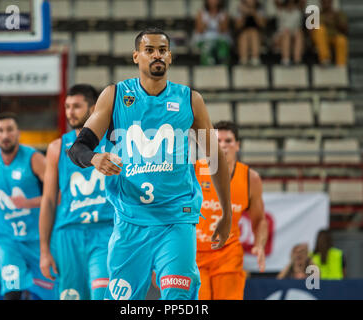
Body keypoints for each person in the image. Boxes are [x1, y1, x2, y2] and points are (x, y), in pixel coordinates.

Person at [68, 27, 232, 300]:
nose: (157, 55)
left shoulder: (190, 99)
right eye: (149, 50)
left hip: (176, 218)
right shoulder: (115, 95)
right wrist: (95, 158)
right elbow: (78, 148)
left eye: (163, 50)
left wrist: (226, 213)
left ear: (170, 57)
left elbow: (216, 158)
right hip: (130, 220)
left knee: (177, 299)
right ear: (136, 57)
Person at [39, 84, 115, 300]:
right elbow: (49, 201)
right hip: (68, 234)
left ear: (93, 109)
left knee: (101, 294)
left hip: (105, 231)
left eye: (76, 106)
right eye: (67, 107)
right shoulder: (56, 148)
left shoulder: (113, 142)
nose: (70, 112)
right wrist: (44, 251)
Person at [0, 113, 54, 300]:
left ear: (18, 133)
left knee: (51, 294)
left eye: (10, 130)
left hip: (40, 241)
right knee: (11, 293)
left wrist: (29, 203)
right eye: (0, 131)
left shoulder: (34, 159)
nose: (5, 135)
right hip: (8, 240)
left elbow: (57, 195)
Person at [195, 120, 268, 300]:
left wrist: (259, 244)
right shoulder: (195, 170)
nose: (223, 146)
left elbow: (260, 220)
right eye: (218, 141)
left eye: (228, 141)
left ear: (237, 145)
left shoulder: (251, 179)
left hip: (227, 253)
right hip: (195, 253)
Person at [193, 0, 231, 65]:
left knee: (222, 50)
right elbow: (199, 30)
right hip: (204, 40)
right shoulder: (201, 13)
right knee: (207, 49)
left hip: (220, 40)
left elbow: (224, 30)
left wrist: (217, 19)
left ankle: (224, 69)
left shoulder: (223, 13)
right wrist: (207, 22)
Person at [310, 0, 348, 66]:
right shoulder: (315, 15)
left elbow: (345, 29)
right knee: (320, 29)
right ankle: (325, 59)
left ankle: (341, 65)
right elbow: (310, 31)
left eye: (328, 1)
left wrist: (337, 19)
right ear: (321, 3)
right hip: (321, 39)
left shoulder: (338, 14)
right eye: (324, 2)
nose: (326, 3)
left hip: (334, 37)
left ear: (331, 2)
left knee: (341, 40)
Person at [235, 0, 266, 66]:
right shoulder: (240, 8)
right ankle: (243, 59)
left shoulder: (260, 8)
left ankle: (255, 59)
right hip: (244, 34)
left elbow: (263, 24)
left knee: (253, 32)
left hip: (257, 34)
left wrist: (253, 13)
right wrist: (244, 15)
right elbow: (237, 26)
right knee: (245, 34)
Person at [274, 0, 304, 65]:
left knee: (299, 34)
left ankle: (297, 60)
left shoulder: (298, 10)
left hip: (294, 35)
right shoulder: (280, 9)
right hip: (281, 35)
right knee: (286, 34)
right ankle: (285, 59)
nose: (290, 4)